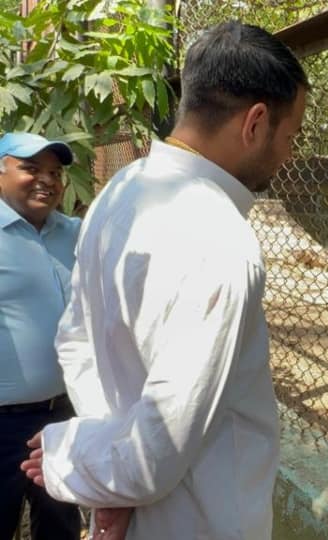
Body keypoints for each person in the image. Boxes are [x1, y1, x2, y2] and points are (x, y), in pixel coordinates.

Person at [20, 21, 308, 540]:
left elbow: (77, 341)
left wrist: (109, 481)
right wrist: (77, 461)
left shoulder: (119, 190)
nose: (289, 154)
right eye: (290, 136)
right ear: (256, 123)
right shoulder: (221, 243)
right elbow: (155, 452)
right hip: (200, 520)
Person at [0, 132, 81, 540]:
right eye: (30, 169)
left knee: (61, 524)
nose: (46, 180)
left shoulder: (76, 234)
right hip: (4, 423)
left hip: (65, 415)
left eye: (55, 172)